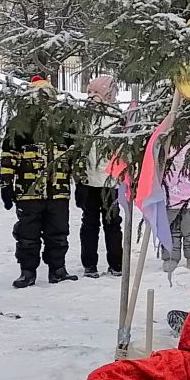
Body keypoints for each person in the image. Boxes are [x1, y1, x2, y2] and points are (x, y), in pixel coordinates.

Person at [0, 76, 78, 288]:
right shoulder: (21, 123)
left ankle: (58, 269)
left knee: (59, 232)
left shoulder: (64, 122)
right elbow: (9, 154)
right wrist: (6, 184)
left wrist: (79, 181)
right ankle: (27, 271)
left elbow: (74, 155)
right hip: (28, 191)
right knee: (27, 233)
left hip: (58, 190)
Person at [75, 74, 124, 278]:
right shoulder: (117, 116)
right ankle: (116, 264)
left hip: (89, 178)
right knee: (111, 223)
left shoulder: (84, 115)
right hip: (109, 180)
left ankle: (90, 264)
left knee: (90, 222)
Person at [157, 142, 190, 285]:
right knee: (171, 229)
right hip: (171, 198)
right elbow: (159, 170)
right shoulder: (166, 147)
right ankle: (170, 257)